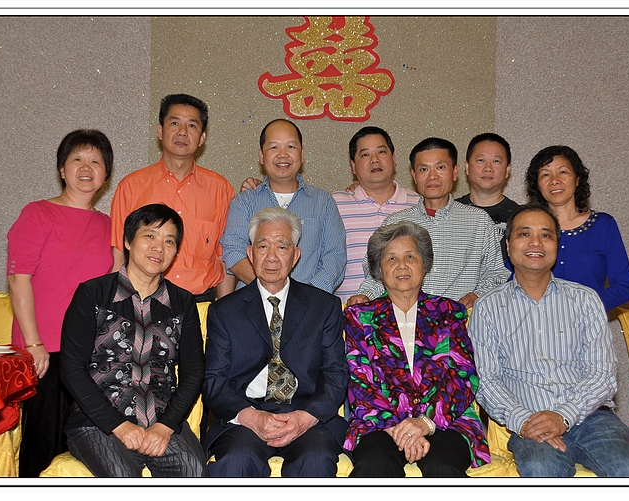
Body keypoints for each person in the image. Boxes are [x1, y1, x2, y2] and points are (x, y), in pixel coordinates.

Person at [468, 204, 629, 477]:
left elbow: (603, 374)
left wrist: (563, 415)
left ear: (556, 246)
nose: (535, 242)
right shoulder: (487, 307)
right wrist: (524, 421)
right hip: (529, 420)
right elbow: (487, 380)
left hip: (593, 417)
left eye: (546, 235)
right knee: (541, 468)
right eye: (524, 234)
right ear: (508, 246)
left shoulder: (586, 300)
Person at [60, 204, 207, 477]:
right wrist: (118, 425)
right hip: (98, 423)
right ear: (128, 241)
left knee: (193, 470)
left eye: (169, 241)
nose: (159, 248)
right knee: (122, 476)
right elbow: (71, 368)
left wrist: (166, 426)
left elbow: (194, 372)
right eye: (150, 236)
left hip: (161, 420)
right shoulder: (92, 294)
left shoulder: (183, 302)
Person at [204, 207, 347, 477]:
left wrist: (305, 418)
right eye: (263, 246)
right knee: (237, 459)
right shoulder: (224, 311)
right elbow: (214, 380)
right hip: (245, 417)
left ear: (295, 255)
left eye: (282, 247)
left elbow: (335, 374)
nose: (271, 257)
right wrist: (250, 416)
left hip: (306, 415)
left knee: (316, 459)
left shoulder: (324, 307)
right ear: (250, 254)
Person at [6, 129, 114, 477]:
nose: (86, 168)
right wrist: (33, 344)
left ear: (106, 175)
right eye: (77, 159)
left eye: (95, 161)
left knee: (81, 450)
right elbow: (18, 278)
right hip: (45, 351)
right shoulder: (38, 213)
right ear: (62, 170)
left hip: (90, 354)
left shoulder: (108, 226)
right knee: (43, 447)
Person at [343, 221, 490, 477]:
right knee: (375, 467)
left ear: (424, 264)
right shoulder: (359, 316)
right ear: (379, 269)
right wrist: (398, 429)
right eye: (391, 258)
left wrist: (425, 423)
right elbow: (359, 380)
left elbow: (462, 376)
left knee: (441, 467)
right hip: (380, 424)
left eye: (410, 256)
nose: (402, 265)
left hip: (446, 421)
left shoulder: (448, 312)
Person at [349, 137, 510, 309]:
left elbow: (496, 273)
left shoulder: (479, 221)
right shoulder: (395, 222)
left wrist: (478, 294)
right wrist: (366, 295)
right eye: (424, 169)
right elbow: (376, 273)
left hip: (459, 319)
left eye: (440, 167)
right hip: (407, 320)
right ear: (414, 175)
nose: (432, 176)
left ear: (455, 172)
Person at [110, 93, 236, 302]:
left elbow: (224, 260)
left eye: (192, 125)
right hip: (143, 302)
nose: (182, 132)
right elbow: (118, 258)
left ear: (202, 138)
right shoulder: (131, 187)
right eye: (175, 123)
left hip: (200, 305)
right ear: (160, 131)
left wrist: (225, 313)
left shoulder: (221, 189)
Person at [220, 118, 346, 293]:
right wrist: (269, 288)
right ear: (261, 156)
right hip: (254, 301)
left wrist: (303, 297)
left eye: (290, 146)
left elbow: (335, 256)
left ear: (302, 154)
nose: (283, 154)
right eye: (274, 147)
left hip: (309, 302)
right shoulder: (244, 202)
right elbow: (234, 252)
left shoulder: (323, 202)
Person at [525, 145, 629, 311]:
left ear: (577, 180)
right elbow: (509, 282)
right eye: (545, 174)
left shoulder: (603, 225)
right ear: (537, 185)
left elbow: (624, 288)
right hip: (535, 323)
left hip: (588, 323)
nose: (554, 180)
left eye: (562, 172)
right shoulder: (526, 228)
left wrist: (582, 307)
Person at [332, 126, 421, 303]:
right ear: (353, 166)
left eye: (381, 152)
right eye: (365, 154)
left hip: (409, 311)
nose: (374, 160)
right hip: (351, 311)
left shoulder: (419, 204)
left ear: (394, 159)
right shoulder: (334, 204)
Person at [456, 133, 520, 267]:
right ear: (467, 167)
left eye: (496, 161)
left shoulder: (520, 216)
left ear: (507, 170)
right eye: (481, 160)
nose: (488, 168)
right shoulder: (449, 211)